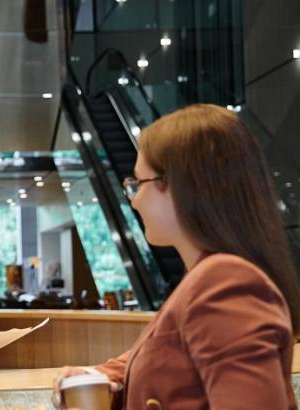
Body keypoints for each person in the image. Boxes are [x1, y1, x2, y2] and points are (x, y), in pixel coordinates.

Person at [51, 104, 300, 409]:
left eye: (138, 183)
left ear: (182, 185)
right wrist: (98, 375)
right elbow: (173, 357)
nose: (134, 201)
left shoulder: (224, 283)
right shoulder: (213, 275)